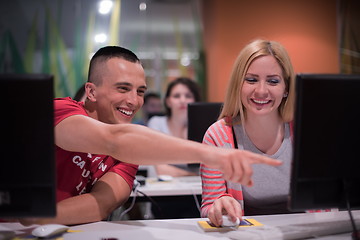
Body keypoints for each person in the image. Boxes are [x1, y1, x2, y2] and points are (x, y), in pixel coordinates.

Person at [18, 45, 281, 226]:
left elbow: (103, 203)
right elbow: (113, 138)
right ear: (91, 91)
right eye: (123, 88)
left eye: (140, 91)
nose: (133, 101)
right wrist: (210, 153)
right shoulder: (60, 110)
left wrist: (38, 217)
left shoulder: (129, 155)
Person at [200, 39, 296, 227]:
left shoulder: (305, 132)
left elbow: (327, 204)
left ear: (286, 88)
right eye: (251, 80)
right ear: (238, 85)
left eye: (273, 81)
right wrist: (217, 207)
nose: (261, 91)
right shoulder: (217, 136)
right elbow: (209, 206)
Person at [147, 77, 201, 177]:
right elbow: (160, 169)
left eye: (188, 96)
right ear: (168, 101)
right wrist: (193, 174)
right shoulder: (156, 123)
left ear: (195, 100)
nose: (182, 100)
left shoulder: (203, 127)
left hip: (197, 187)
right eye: (176, 96)